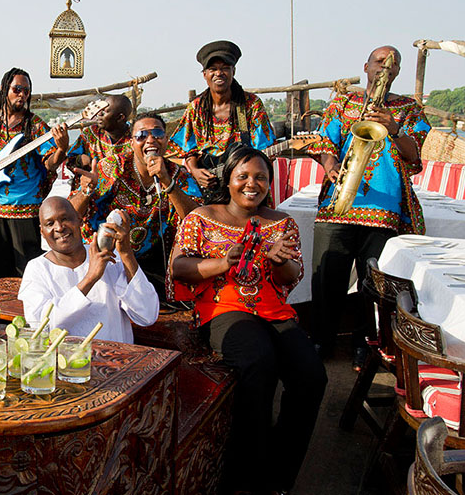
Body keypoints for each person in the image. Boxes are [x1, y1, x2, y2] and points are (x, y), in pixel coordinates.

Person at [171, 145, 326, 494]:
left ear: (270, 184)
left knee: (312, 376)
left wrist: (277, 260)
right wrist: (224, 262)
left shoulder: (281, 223)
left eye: (261, 177)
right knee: (258, 364)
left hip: (273, 311)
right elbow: (180, 267)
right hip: (224, 308)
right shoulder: (199, 217)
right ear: (228, 180)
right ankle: (245, 476)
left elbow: (292, 275)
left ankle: (279, 475)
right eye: (243, 176)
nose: (251, 184)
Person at [308, 46, 430, 367]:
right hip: (340, 201)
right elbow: (323, 142)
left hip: (385, 207)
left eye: (393, 64)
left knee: (373, 281)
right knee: (327, 276)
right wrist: (331, 164)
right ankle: (322, 339)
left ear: (399, 72)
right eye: (379, 62)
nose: (385, 68)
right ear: (366, 67)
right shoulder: (343, 102)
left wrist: (395, 128)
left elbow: (414, 154)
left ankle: (367, 343)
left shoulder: (408, 108)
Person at [69, 112, 200, 301]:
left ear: (166, 140)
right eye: (141, 135)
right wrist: (86, 192)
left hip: (147, 260)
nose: (150, 140)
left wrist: (167, 182)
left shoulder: (176, 174)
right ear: (131, 142)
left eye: (157, 134)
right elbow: (70, 215)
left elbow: (196, 220)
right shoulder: (112, 167)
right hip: (105, 258)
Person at [0, 67, 70, 279]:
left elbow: (50, 164)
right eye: (17, 89)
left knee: (26, 271)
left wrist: (61, 149)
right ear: (4, 89)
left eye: (26, 91)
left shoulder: (36, 126)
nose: (22, 95)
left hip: (25, 206)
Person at [18, 197, 158, 344]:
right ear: (42, 231)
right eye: (50, 223)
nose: (59, 227)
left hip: (116, 360)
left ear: (79, 220)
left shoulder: (111, 257)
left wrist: (126, 253)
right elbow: (41, 327)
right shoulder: (37, 269)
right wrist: (90, 278)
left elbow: (147, 315)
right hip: (68, 362)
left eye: (65, 219)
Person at [168, 40, 275, 203]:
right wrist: (195, 170)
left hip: (243, 188)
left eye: (225, 68)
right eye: (213, 69)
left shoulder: (250, 105)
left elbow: (264, 151)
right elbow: (185, 149)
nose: (219, 73)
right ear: (205, 74)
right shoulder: (196, 108)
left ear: (233, 71)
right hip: (207, 190)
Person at [64, 94, 132, 190]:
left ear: (120, 117)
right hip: (89, 192)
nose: (99, 114)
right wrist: (80, 160)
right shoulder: (90, 133)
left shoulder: (136, 138)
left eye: (104, 112)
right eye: (100, 110)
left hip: (121, 196)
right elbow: (70, 161)